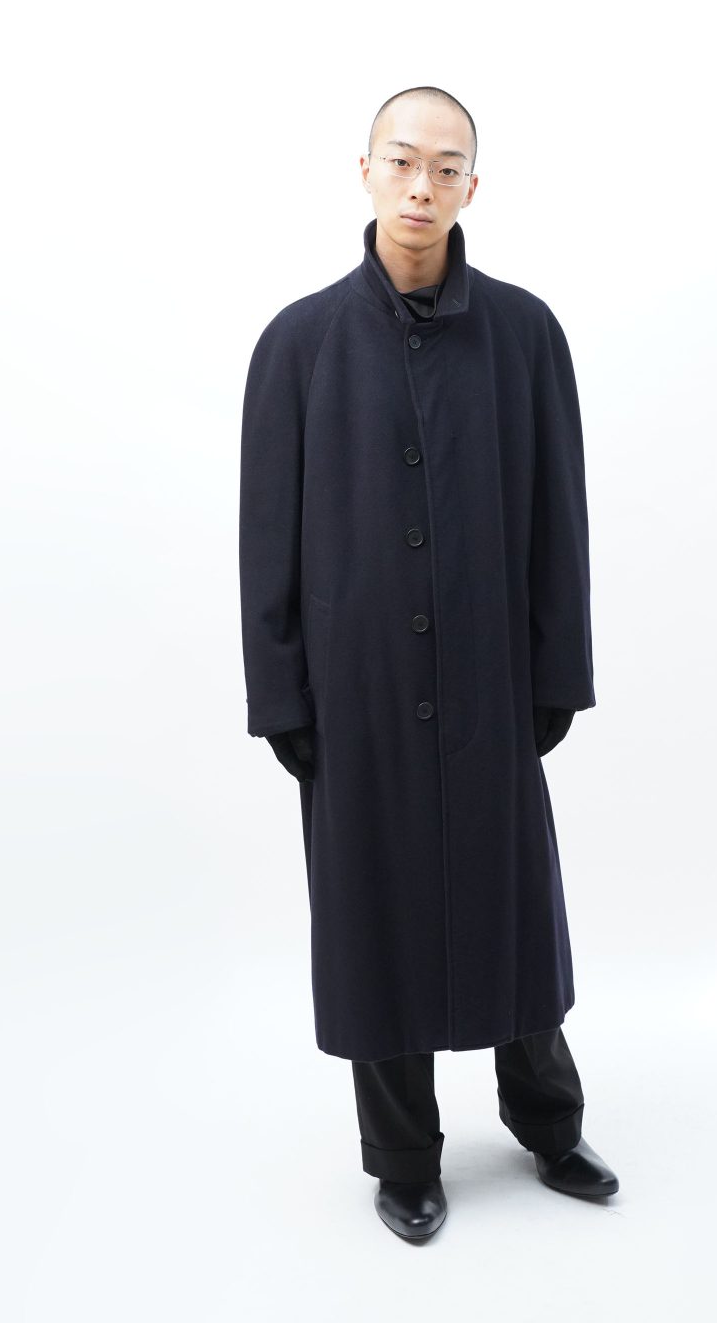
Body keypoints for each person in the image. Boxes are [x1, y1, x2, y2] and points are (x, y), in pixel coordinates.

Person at [239, 85, 619, 1239]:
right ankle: (403, 1155)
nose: (421, 185)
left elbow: (558, 518)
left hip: (491, 683)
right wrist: (282, 695)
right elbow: (266, 537)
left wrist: (556, 676)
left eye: (445, 167)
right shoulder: (299, 344)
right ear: (363, 170)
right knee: (377, 920)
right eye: (402, 161)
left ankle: (548, 1122)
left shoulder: (524, 334)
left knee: (515, 909)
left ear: (471, 187)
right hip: (353, 696)